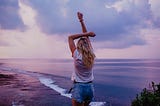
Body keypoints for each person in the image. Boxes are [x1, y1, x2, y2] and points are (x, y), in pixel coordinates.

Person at [68, 12, 96, 106]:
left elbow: (70, 37)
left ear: (78, 46)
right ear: (88, 46)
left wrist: (87, 33)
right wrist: (81, 21)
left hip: (79, 87)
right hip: (90, 88)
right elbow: (86, 37)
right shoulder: (91, 54)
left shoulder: (76, 54)